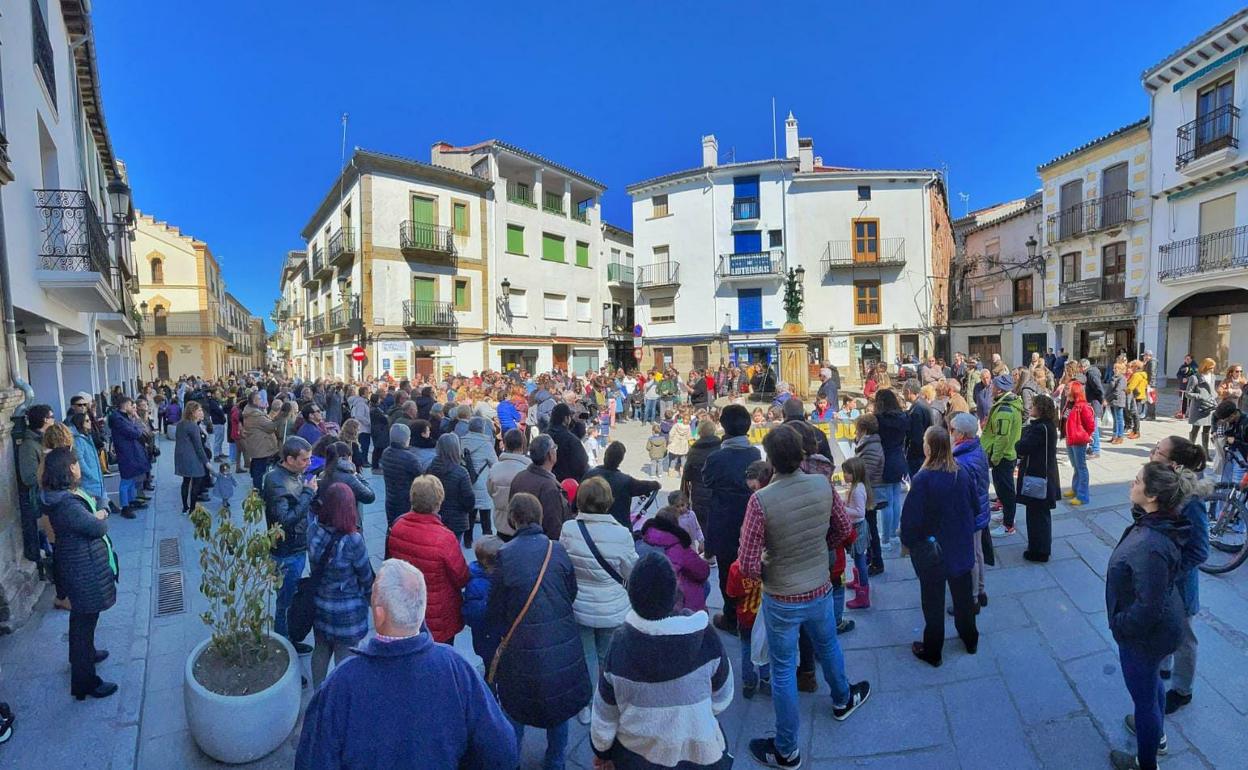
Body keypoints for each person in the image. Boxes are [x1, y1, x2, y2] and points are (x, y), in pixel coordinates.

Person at [294, 559, 517, 769]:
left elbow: (313, 760)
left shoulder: (339, 684)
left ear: (379, 614)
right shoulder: (456, 667)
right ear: (421, 609)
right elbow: (503, 752)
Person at [742, 425, 871, 768]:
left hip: (782, 595)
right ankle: (842, 699)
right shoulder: (822, 485)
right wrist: (816, 549)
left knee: (784, 669)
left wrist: (775, 567)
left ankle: (787, 748)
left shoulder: (760, 501)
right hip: (818, 586)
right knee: (828, 645)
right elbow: (845, 531)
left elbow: (748, 564)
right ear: (801, 454)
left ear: (769, 461)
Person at [590, 552, 734, 768]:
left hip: (637, 758)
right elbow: (723, 696)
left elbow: (604, 715)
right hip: (698, 755)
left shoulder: (619, 645)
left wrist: (602, 751)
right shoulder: (706, 637)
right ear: (673, 593)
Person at [489, 492, 590, 770]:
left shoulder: (505, 556)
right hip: (560, 643)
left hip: (521, 647)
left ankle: (512, 759)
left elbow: (496, 607)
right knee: (559, 709)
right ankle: (556, 761)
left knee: (515, 707)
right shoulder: (556, 550)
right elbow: (571, 591)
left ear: (512, 519)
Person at [1108, 462, 1197, 770]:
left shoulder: (1150, 544)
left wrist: (1121, 625)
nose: (1131, 484)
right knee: (1152, 684)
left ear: (1153, 495)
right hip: (1160, 627)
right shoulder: (1159, 522)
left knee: (1144, 698)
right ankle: (1155, 732)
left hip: (1145, 635)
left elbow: (1148, 606)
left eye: (1136, 481)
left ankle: (1146, 762)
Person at [557, 476, 637, 726]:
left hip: (579, 605)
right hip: (612, 607)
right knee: (607, 657)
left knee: (586, 657)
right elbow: (630, 571)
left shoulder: (569, 529)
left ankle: (587, 705)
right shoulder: (622, 533)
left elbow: (564, 565)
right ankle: (608, 703)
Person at [41, 447, 118, 700]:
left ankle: (83, 656)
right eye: (74, 464)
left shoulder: (60, 497)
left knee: (83, 618)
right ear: (67, 468)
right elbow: (96, 527)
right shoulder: (65, 503)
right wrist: (102, 513)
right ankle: (85, 682)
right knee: (84, 621)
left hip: (78, 563)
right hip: (82, 567)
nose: (77, 467)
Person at [901, 427, 980, 667]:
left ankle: (933, 650)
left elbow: (910, 519)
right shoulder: (962, 473)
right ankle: (970, 638)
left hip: (933, 552)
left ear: (929, 447)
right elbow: (975, 507)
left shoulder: (923, 478)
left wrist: (908, 542)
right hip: (960, 547)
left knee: (933, 603)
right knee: (964, 599)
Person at [1150, 436, 1209, 717]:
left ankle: (1183, 690)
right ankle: (1163, 666)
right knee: (1163, 625)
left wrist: (1172, 572)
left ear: (1173, 463)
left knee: (1185, 637)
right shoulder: (1163, 485)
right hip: (1162, 577)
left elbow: (1200, 550)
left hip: (1180, 582)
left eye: (1158, 451)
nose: (1152, 454)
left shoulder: (1191, 499)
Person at [386, 476, 470, 644]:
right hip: (437, 615)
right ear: (438, 503)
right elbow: (461, 577)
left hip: (406, 610)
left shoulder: (397, 527)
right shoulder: (445, 538)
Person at [307, 482, 374, 688]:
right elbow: (365, 576)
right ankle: (339, 695)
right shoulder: (353, 540)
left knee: (320, 648)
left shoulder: (313, 529)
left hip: (320, 603)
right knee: (345, 658)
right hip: (347, 612)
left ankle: (319, 689)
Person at [701, 404, 761, 634]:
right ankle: (751, 611)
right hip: (750, 518)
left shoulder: (717, 457)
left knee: (727, 570)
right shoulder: (754, 453)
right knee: (751, 566)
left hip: (725, 520)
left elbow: (707, 481)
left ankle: (731, 615)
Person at [262, 436, 318, 647]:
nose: (309, 464)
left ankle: (288, 639)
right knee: (284, 602)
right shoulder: (276, 481)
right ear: (289, 459)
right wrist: (308, 493)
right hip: (286, 552)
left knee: (291, 595)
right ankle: (283, 646)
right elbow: (284, 520)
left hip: (297, 546)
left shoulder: (294, 474)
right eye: (305, 460)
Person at [949, 413, 991, 609]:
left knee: (972, 555)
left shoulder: (963, 460)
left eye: (952, 430)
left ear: (962, 434)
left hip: (971, 512)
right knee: (978, 551)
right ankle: (980, 590)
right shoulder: (975, 448)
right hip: (980, 508)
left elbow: (964, 492)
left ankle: (973, 598)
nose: (950, 433)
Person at [1014, 394, 1061, 562]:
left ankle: (1039, 550)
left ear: (1040, 409)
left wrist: (1019, 440)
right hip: (1044, 474)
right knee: (1039, 514)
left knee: (1037, 515)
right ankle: (1038, 546)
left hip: (1038, 475)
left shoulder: (1040, 428)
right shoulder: (1046, 426)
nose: (1030, 408)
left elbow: (1022, 446)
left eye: (1033, 405)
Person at [639, 505, 710, 613]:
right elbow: (703, 571)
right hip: (673, 600)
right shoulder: (680, 546)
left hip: (645, 596)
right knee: (705, 585)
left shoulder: (643, 539)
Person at [583, 441, 661, 529]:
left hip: (590, 524)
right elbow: (643, 486)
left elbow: (576, 504)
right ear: (620, 460)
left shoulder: (589, 475)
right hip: (618, 525)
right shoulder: (625, 481)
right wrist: (656, 484)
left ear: (605, 455)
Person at [508, 434, 570, 540]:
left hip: (519, 539)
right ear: (550, 454)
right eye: (554, 447)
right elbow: (554, 528)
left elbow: (511, 514)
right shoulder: (549, 487)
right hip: (542, 546)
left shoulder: (519, 477)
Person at [984, 373, 1024, 537]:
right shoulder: (1007, 404)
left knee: (1006, 491)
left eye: (993, 386)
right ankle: (1007, 515)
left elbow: (1002, 437)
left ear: (999, 389)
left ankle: (1009, 525)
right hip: (1006, 455)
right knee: (1003, 488)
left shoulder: (1004, 409)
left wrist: (994, 458)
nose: (991, 388)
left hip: (1003, 456)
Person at [873, 388, 909, 549]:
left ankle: (886, 538)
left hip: (884, 460)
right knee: (895, 499)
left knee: (885, 502)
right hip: (899, 458)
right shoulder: (903, 417)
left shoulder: (878, 420)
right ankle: (893, 533)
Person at [853, 414, 887, 576]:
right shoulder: (868, 444)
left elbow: (867, 471)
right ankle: (871, 557)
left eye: (858, 430)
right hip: (867, 491)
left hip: (870, 492)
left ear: (864, 430)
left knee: (871, 529)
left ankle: (877, 561)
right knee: (869, 527)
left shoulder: (871, 446)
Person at [318, 441, 376, 535]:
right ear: (347, 457)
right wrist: (357, 475)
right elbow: (370, 496)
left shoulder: (323, 474)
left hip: (328, 521)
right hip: (348, 522)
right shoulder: (349, 477)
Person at [108, 397, 151, 518]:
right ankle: (125, 507)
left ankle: (131, 501)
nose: (134, 409)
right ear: (126, 405)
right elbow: (135, 433)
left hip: (132, 452)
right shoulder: (118, 419)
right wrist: (136, 423)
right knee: (126, 480)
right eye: (132, 406)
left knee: (132, 479)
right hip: (126, 453)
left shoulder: (124, 418)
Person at [488, 429, 532, 540]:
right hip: (522, 525)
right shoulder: (528, 469)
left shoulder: (495, 468)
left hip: (501, 523)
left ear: (505, 444)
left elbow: (490, 491)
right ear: (523, 445)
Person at [841, 456, 873, 609]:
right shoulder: (855, 487)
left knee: (860, 560)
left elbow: (859, 512)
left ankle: (863, 595)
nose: (844, 475)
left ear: (855, 472)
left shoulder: (858, 490)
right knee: (858, 558)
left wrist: (843, 509)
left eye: (847, 472)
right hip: (856, 527)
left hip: (858, 528)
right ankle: (858, 581)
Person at [461, 417, 498, 548]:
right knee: (485, 515)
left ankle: (467, 540)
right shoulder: (486, 444)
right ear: (482, 428)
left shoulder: (461, 441)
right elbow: (495, 464)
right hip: (482, 482)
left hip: (466, 481)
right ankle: (487, 544)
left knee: (470, 513)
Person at [379, 423, 422, 528]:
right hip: (406, 502)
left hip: (390, 499)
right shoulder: (411, 458)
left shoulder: (386, 453)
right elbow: (421, 478)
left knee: (392, 528)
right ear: (406, 439)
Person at [175, 400, 212, 514]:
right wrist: (206, 462)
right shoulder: (193, 426)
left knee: (185, 481)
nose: (202, 412)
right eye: (199, 410)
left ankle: (185, 506)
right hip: (192, 457)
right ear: (193, 412)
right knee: (196, 481)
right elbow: (198, 447)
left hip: (181, 456)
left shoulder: (181, 424)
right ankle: (192, 508)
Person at [241, 391, 281, 491]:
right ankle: (257, 490)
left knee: (256, 465)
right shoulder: (255, 415)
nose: (261, 400)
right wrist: (279, 418)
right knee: (259, 468)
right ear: (254, 401)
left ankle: (255, 485)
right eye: (259, 399)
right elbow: (270, 427)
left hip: (256, 444)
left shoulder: (251, 411)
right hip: (260, 446)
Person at [1064, 382, 1096, 507]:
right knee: (1075, 466)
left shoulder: (1082, 406)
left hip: (1078, 440)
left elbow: (1091, 425)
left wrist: (1085, 435)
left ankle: (1082, 496)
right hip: (1070, 438)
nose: (1065, 390)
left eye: (1068, 388)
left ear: (1074, 391)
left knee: (1081, 467)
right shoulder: (1069, 403)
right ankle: (1075, 488)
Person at [547, 403, 588, 483]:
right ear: (566, 418)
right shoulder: (571, 440)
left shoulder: (544, 436)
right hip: (568, 483)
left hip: (547, 479)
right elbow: (582, 462)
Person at [1186, 357, 1219, 455]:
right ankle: (1190, 451)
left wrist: (1215, 395)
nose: (1212, 370)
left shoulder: (1213, 377)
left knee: (1207, 430)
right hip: (1198, 408)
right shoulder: (1195, 377)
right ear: (1205, 367)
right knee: (1195, 429)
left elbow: (1212, 389)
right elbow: (1188, 393)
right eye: (1210, 368)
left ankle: (1206, 452)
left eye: (1213, 368)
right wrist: (1199, 396)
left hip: (1210, 407)